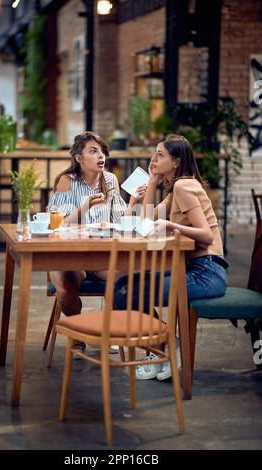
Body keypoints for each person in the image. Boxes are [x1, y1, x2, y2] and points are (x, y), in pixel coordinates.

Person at [114, 134, 228, 379]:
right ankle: (163, 348)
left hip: (207, 272)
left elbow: (206, 236)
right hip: (192, 268)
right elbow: (145, 224)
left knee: (127, 293)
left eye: (160, 155)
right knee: (122, 285)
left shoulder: (183, 186)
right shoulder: (175, 189)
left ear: (176, 162)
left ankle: (163, 346)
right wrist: (153, 181)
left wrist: (172, 226)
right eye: (154, 153)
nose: (153, 158)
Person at [47, 131, 146, 352]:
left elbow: (121, 221)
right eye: (93, 151)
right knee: (66, 285)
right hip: (67, 254)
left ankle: (109, 330)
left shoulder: (109, 180)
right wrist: (85, 207)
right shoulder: (66, 182)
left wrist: (133, 202)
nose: (101, 156)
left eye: (102, 151)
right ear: (79, 157)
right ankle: (79, 330)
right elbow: (55, 225)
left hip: (100, 255)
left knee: (123, 280)